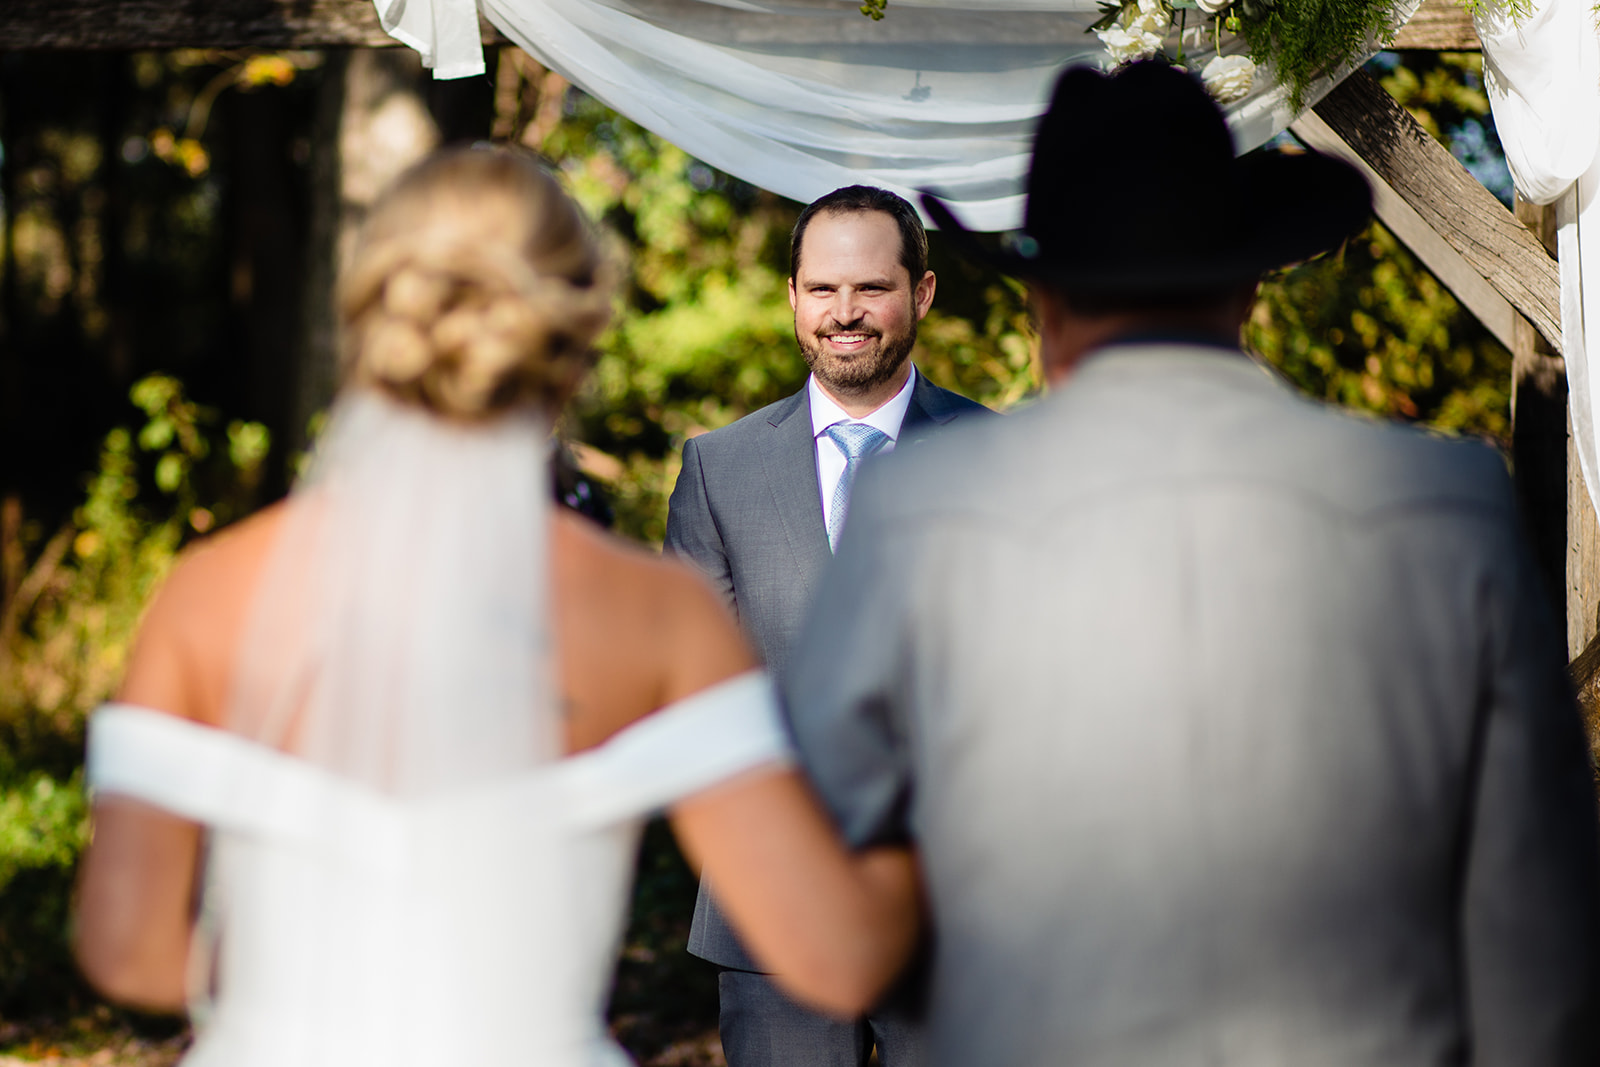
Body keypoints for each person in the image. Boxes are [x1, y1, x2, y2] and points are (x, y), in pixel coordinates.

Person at [784, 60, 1600, 1067]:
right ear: (1251, 281)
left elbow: (823, 891)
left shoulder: (917, 510)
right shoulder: (1447, 508)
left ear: (1041, 294)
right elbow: (1537, 933)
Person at [71, 146, 922, 1067]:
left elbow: (131, 952)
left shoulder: (209, 590)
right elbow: (833, 951)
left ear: (370, 309)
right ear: (581, 325)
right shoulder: (654, 615)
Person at [665, 185, 990, 1067]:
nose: (845, 313)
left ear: (920, 294)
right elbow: (693, 696)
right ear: (794, 297)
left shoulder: (1003, 459)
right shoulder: (718, 469)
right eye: (822, 290)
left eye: (871, 289)